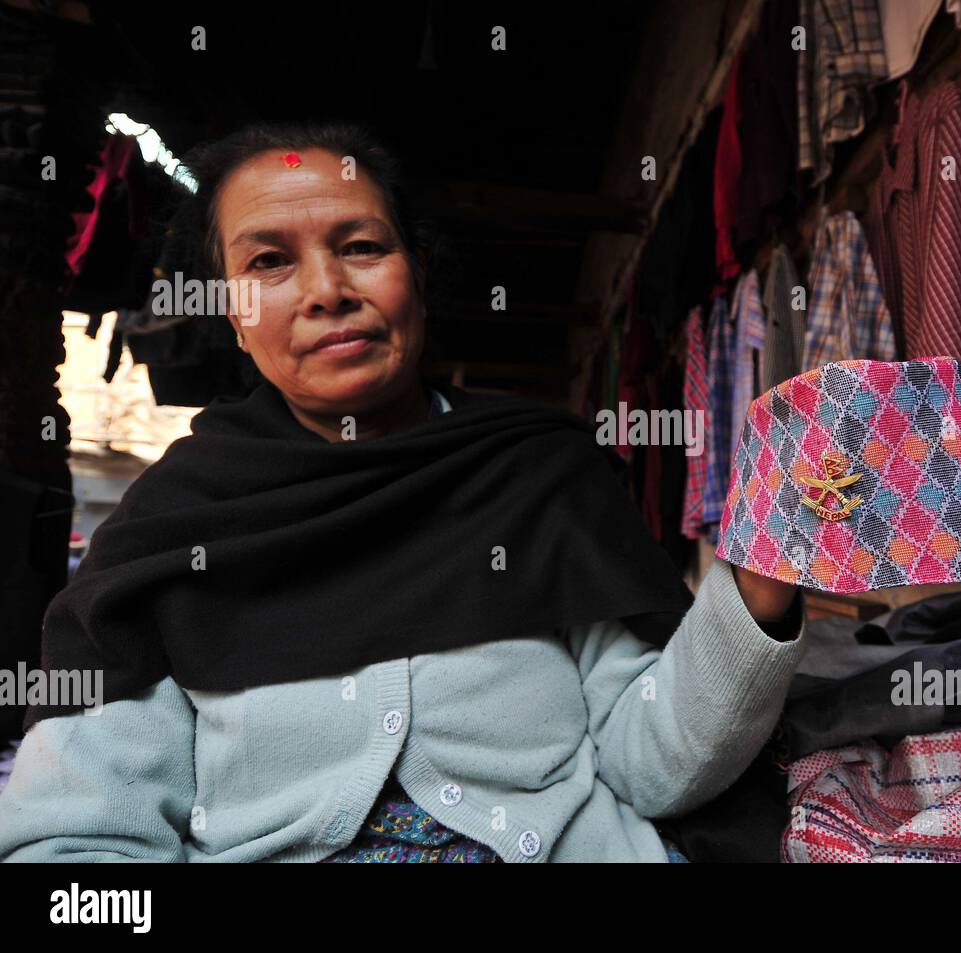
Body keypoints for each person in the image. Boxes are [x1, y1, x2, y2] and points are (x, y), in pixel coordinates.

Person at [0, 123, 806, 863]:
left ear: (416, 273)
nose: (325, 290)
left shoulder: (534, 474)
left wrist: (757, 591)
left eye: (360, 246)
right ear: (233, 314)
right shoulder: (170, 529)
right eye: (268, 262)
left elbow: (654, 767)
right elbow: (78, 837)